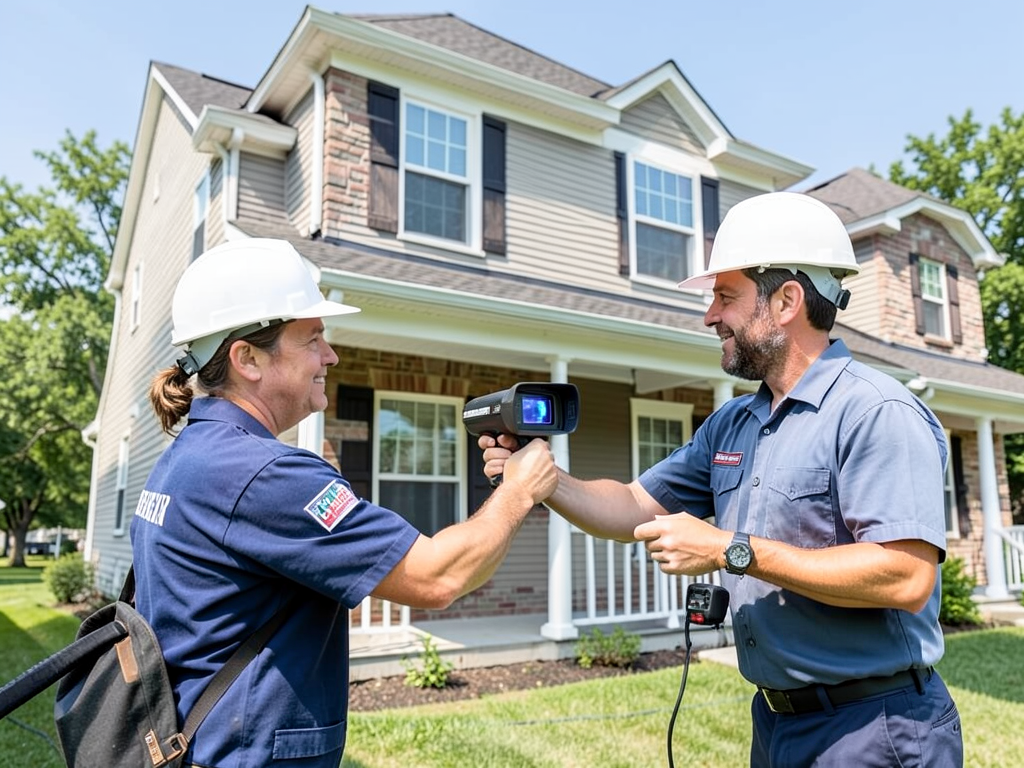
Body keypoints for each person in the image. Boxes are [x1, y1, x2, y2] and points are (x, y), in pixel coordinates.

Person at [482, 192, 963, 767]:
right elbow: (635, 503)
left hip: (876, 729)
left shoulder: (876, 412)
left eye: (725, 296)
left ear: (787, 301)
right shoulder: (733, 423)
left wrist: (728, 550)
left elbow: (905, 576)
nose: (710, 315)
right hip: (778, 723)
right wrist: (544, 481)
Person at [134, 238, 557, 767]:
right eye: (312, 339)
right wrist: (519, 491)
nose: (330, 355)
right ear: (247, 358)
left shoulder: (189, 454)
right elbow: (437, 577)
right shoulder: (265, 473)